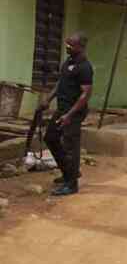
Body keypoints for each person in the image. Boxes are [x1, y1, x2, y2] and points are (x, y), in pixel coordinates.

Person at [41, 33, 93, 197]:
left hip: (74, 112)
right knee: (50, 138)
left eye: (71, 45)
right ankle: (69, 172)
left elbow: (85, 94)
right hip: (62, 109)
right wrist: (48, 99)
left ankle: (71, 185)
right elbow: (60, 83)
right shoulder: (68, 62)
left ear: (80, 47)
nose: (67, 46)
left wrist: (70, 115)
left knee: (71, 146)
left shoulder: (85, 67)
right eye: (67, 43)